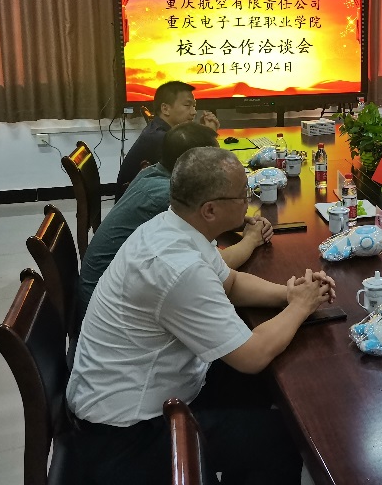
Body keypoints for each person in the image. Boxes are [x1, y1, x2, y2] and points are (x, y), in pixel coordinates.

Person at [67, 147, 335, 484]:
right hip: (125, 432)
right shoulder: (177, 268)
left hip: (149, 390)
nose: (248, 201)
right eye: (243, 194)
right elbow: (251, 355)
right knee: (280, 442)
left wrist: (289, 294)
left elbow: (230, 282)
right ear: (210, 210)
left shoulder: (174, 226)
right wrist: (300, 307)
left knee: (264, 386)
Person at [77, 122, 271, 321]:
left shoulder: (153, 173)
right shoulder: (168, 196)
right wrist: (252, 239)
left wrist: (237, 218)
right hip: (109, 310)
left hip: (109, 293)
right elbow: (214, 266)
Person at [115, 81, 220, 197]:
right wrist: (209, 135)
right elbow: (202, 168)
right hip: (143, 203)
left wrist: (203, 132)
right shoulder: (160, 137)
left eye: (194, 106)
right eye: (187, 105)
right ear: (165, 109)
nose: (194, 112)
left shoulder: (161, 129)